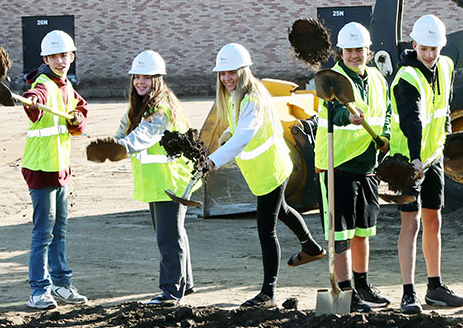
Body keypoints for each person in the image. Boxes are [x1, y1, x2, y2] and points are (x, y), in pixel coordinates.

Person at [206, 43, 325, 308]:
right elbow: (238, 130)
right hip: (266, 170)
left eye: (232, 72)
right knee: (282, 210)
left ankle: (268, 293)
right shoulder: (236, 96)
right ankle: (311, 248)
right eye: (223, 73)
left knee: (266, 230)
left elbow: (245, 136)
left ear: (243, 71)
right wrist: (226, 136)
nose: (226, 78)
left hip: (271, 169)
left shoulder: (252, 98)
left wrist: (213, 161)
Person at [388, 14, 463, 314]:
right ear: (414, 45)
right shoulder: (406, 78)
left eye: (434, 48)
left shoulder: (445, 66)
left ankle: (435, 287)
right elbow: (413, 121)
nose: (430, 54)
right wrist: (415, 159)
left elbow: (444, 106)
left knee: (434, 219)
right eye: (424, 49)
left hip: (433, 156)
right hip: (409, 161)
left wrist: (445, 138)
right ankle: (408, 292)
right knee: (412, 222)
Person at [314, 22, 391, 313]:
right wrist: (347, 118)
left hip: (368, 165)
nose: (355, 55)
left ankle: (362, 284)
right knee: (341, 234)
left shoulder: (377, 79)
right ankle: (346, 291)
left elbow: (386, 112)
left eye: (359, 50)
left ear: (368, 51)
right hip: (338, 165)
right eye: (349, 51)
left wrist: (385, 135)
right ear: (341, 52)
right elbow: (331, 115)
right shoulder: (332, 81)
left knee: (363, 230)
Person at [112, 50, 196, 306]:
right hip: (158, 181)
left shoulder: (162, 107)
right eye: (137, 77)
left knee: (168, 238)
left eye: (146, 77)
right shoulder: (139, 105)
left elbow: (145, 134)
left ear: (157, 79)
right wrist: (112, 144)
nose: (140, 82)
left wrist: (121, 148)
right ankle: (185, 284)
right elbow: (122, 131)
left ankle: (171, 292)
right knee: (173, 233)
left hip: (170, 181)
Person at [21, 30, 89, 310]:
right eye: (54, 56)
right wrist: (32, 103)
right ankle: (39, 290)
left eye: (64, 55)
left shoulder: (66, 86)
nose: (60, 61)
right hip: (40, 169)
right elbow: (33, 100)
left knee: (59, 230)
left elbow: (81, 111)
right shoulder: (43, 85)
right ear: (45, 59)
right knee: (43, 233)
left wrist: (76, 119)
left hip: (60, 168)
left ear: (72, 56)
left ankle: (61, 284)